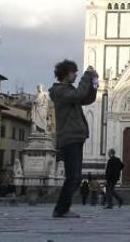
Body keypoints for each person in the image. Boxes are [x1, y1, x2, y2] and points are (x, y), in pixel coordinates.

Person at [49, 60, 98, 218]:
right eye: (74, 72)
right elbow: (79, 94)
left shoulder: (68, 90)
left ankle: (62, 209)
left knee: (75, 178)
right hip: (69, 137)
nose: (76, 74)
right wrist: (87, 75)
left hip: (76, 137)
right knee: (73, 177)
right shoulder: (59, 91)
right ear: (66, 73)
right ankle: (61, 210)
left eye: (77, 72)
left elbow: (87, 99)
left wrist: (93, 84)